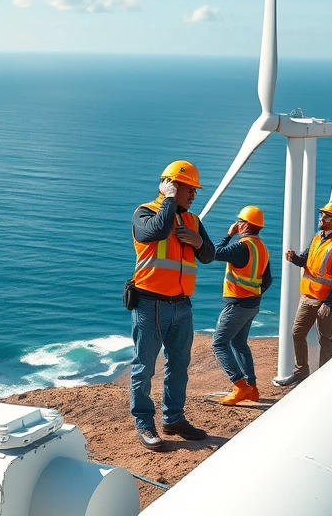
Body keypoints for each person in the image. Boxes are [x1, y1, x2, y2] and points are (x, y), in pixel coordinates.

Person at [129, 160, 215, 451]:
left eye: (194, 190)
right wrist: (166, 200)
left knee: (179, 366)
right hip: (150, 305)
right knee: (144, 367)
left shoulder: (192, 221)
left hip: (181, 306)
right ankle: (145, 422)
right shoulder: (146, 212)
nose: (193, 194)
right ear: (170, 185)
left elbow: (209, 255)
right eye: (188, 188)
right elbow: (154, 232)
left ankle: (174, 419)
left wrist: (198, 242)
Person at [280, 202, 332, 386]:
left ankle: (325, 376)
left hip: (324, 301)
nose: (321, 218)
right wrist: (294, 258)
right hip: (308, 296)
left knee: (324, 339)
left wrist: (328, 303)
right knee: (297, 333)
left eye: (325, 216)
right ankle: (302, 370)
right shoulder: (317, 238)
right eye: (321, 215)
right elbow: (305, 261)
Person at [212, 205, 272, 405]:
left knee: (219, 343)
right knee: (239, 344)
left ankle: (240, 386)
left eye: (239, 221)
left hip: (237, 304)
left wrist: (228, 235)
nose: (236, 224)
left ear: (245, 225)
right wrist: (253, 293)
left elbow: (215, 253)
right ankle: (252, 389)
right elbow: (268, 280)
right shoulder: (262, 248)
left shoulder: (241, 246)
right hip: (252, 305)